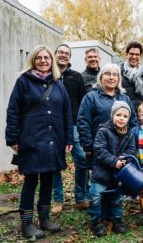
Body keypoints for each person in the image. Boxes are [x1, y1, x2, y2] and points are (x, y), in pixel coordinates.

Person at [5, 45, 73, 239]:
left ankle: (44, 219)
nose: (43, 61)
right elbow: (13, 110)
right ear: (33, 60)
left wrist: (68, 137)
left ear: (52, 61)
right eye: (39, 58)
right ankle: (26, 224)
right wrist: (12, 137)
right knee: (31, 179)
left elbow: (67, 112)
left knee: (49, 179)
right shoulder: (23, 82)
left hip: (55, 139)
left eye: (47, 58)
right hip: (31, 139)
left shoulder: (58, 83)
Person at [77, 63, 138, 170]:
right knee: (100, 182)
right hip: (99, 150)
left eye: (115, 74)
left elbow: (133, 122)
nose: (111, 77)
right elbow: (83, 122)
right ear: (101, 77)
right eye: (107, 74)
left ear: (119, 78)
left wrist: (131, 147)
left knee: (120, 183)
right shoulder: (91, 97)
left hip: (122, 151)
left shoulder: (125, 98)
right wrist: (88, 146)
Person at [89, 101, 136, 237]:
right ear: (112, 116)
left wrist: (126, 158)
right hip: (102, 172)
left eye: (125, 116)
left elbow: (132, 150)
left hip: (119, 174)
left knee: (117, 198)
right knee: (96, 196)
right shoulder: (103, 130)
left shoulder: (129, 134)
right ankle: (97, 222)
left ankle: (116, 219)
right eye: (118, 115)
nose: (121, 118)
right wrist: (114, 161)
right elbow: (99, 149)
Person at [52, 44, 88, 214]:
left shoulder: (76, 77)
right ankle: (57, 199)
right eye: (61, 52)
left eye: (67, 53)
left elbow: (82, 102)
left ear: (70, 57)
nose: (63, 55)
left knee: (82, 159)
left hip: (73, 125)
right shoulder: (49, 76)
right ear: (55, 54)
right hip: (53, 126)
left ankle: (81, 197)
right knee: (54, 164)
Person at [121, 41, 143, 111]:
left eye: (137, 54)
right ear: (126, 54)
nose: (134, 57)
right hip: (124, 113)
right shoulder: (118, 71)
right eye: (131, 54)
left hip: (141, 113)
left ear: (140, 56)